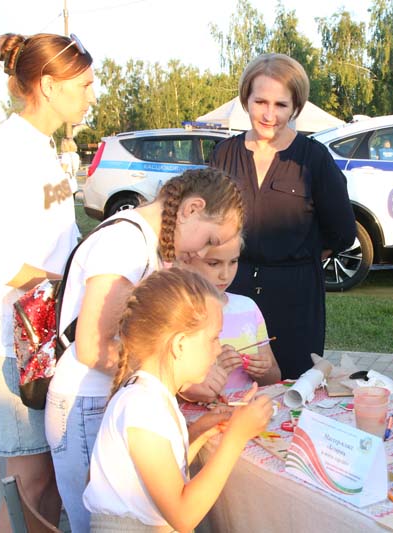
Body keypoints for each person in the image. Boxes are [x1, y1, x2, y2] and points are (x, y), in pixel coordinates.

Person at [45, 167, 244, 533]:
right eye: (209, 239)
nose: (201, 251)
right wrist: (173, 377)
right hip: (86, 401)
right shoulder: (126, 245)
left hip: (99, 401)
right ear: (191, 209)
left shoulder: (141, 241)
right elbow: (92, 347)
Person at [0, 32, 95, 531]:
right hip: (13, 340)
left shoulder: (42, 147)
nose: (91, 94)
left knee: (50, 479)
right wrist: (74, 279)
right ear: (48, 84)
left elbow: (54, 236)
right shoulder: (6, 148)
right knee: (31, 482)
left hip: (44, 333)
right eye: (82, 84)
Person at [83, 267, 273, 532]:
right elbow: (184, 516)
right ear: (180, 344)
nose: (219, 348)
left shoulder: (150, 394)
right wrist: (236, 438)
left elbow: (162, 473)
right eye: (213, 338)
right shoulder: (143, 408)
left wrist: (200, 431)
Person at [210, 53, 356, 380]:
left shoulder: (313, 158)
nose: (269, 114)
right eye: (260, 101)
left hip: (295, 298)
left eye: (281, 105)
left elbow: (343, 231)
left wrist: (305, 254)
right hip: (233, 295)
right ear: (245, 100)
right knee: (231, 390)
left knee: (291, 388)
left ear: (296, 108)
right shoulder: (224, 154)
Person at [179, 234, 281, 397]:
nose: (225, 275)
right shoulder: (176, 313)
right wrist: (205, 373)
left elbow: (274, 377)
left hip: (244, 413)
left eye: (233, 262)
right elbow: (164, 387)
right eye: (214, 263)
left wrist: (262, 370)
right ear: (185, 261)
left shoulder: (248, 307)